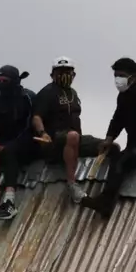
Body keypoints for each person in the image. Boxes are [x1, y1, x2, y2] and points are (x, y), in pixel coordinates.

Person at [82, 57, 136, 219]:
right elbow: (118, 119)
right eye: (115, 75)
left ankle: (105, 202)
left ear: (133, 77)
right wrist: (108, 139)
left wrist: (131, 150)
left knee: (122, 161)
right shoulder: (123, 96)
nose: (117, 80)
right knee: (115, 156)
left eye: (121, 75)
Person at [0, 65, 38, 221]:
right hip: (4, 145)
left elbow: (30, 127)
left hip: (29, 142)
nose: (1, 83)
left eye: (5, 80)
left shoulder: (28, 97)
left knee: (10, 151)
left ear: (14, 81)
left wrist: (5, 147)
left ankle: (9, 201)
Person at [30, 58, 87, 203]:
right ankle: (72, 184)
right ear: (53, 74)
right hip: (54, 140)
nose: (65, 75)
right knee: (73, 136)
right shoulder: (47, 92)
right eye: (61, 72)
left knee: (108, 146)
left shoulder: (73, 93)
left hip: (75, 138)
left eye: (68, 71)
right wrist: (43, 133)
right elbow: (36, 116)